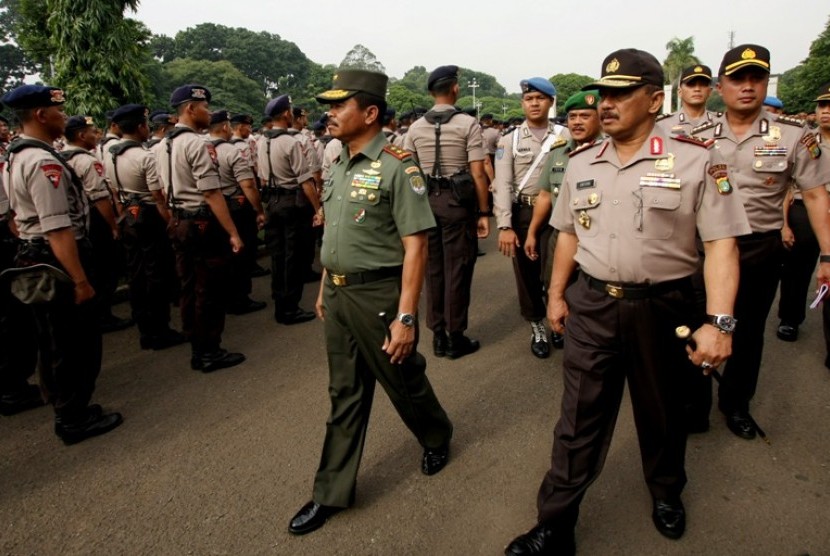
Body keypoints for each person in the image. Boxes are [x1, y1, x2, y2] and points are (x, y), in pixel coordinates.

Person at [505, 49, 750, 554]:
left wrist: (719, 324)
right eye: (604, 93)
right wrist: (555, 295)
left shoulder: (697, 160)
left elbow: (722, 244)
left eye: (621, 93)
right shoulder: (579, 162)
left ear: (655, 100)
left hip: (664, 308)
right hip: (592, 306)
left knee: (661, 412)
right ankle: (555, 523)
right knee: (578, 419)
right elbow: (568, 234)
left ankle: (666, 493)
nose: (606, 103)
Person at [288, 69, 453, 536]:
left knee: (402, 379)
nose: (330, 113)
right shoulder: (338, 161)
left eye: (340, 106)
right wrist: (324, 286)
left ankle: (437, 434)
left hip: (379, 295)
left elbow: (416, 246)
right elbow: (336, 234)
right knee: (345, 392)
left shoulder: (399, 165)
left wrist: (406, 316)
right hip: (339, 293)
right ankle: (331, 492)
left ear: (370, 112)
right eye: (331, 105)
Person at [693, 45, 830, 440]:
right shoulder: (693, 136)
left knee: (748, 332)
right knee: (696, 326)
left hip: (759, 248)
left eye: (756, 78)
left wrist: (827, 253)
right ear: (721, 86)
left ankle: (736, 405)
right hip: (702, 249)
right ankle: (695, 405)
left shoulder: (794, 136)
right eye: (738, 79)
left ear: (766, 83)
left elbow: (818, 195)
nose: (747, 87)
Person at [1, 84, 123, 444]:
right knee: (72, 343)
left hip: (36, 253)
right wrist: (80, 280)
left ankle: (68, 406)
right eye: (58, 111)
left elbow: (13, 217)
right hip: (58, 258)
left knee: (54, 340)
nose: (63, 117)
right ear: (40, 114)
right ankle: (73, 417)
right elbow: (58, 229)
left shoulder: (15, 154)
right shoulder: (42, 161)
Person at [156, 84, 246, 373]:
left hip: (180, 220)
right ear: (191, 109)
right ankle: (209, 351)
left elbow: (159, 189)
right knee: (208, 289)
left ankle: (197, 346)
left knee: (189, 288)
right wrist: (232, 231)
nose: (209, 112)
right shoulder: (197, 143)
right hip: (202, 223)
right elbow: (210, 192)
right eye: (205, 107)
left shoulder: (162, 145)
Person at [403, 65, 490, 359]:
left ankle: (437, 335)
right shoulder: (468, 124)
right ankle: (455, 337)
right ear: (455, 88)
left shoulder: (414, 128)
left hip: (426, 203)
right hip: (457, 204)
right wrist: (483, 212)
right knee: (458, 270)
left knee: (433, 271)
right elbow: (478, 173)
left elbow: (410, 173)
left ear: (431, 92)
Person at [493, 77, 567, 359]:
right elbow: (503, 184)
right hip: (524, 213)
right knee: (527, 275)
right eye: (528, 99)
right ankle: (536, 324)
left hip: (559, 213)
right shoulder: (508, 140)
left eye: (540, 98)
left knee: (559, 272)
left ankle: (558, 321)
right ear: (522, 103)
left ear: (550, 102)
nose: (534, 103)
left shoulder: (566, 135)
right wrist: (504, 225)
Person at [524, 90, 604, 349]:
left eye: (585, 116)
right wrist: (533, 232)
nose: (577, 122)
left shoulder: (611, 150)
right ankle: (563, 327)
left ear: (600, 118)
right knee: (555, 286)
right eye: (572, 117)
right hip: (562, 235)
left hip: (598, 237)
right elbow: (545, 194)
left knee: (594, 293)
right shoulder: (559, 152)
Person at [104, 104, 184, 350]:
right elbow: (158, 195)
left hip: (129, 214)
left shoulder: (111, 154)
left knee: (136, 273)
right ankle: (160, 330)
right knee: (156, 273)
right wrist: (170, 220)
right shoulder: (144, 156)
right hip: (149, 215)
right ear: (140, 127)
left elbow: (114, 193)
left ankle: (145, 329)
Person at [61, 115, 131, 333]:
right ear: (82, 135)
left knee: (93, 269)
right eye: (92, 132)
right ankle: (103, 315)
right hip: (95, 220)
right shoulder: (86, 160)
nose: (96, 135)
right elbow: (100, 199)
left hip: (78, 221)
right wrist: (113, 225)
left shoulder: (61, 157)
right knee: (105, 269)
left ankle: (97, 314)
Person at [257, 95, 320, 324]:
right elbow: (306, 181)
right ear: (286, 114)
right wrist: (317, 208)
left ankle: (279, 301)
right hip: (291, 203)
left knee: (277, 255)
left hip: (272, 201)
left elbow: (262, 177)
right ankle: (290, 308)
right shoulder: (291, 142)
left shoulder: (262, 141)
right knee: (293, 256)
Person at [206, 109, 267, 315]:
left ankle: (224, 297)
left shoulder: (201, 148)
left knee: (220, 255)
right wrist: (258, 210)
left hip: (213, 208)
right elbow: (248, 185)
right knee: (241, 254)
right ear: (225, 127)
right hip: (236, 206)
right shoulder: (231, 151)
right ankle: (240, 299)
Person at [230, 113, 270, 278]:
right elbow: (250, 176)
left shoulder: (224, 145)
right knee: (249, 234)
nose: (250, 129)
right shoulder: (243, 146)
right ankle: (249, 267)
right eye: (247, 126)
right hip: (243, 195)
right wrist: (258, 207)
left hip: (230, 197)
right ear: (240, 127)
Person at [656, 65, 717, 135]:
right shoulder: (662, 124)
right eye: (691, 84)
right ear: (679, 92)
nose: (697, 89)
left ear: (710, 91)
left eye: (703, 84)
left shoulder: (722, 122)